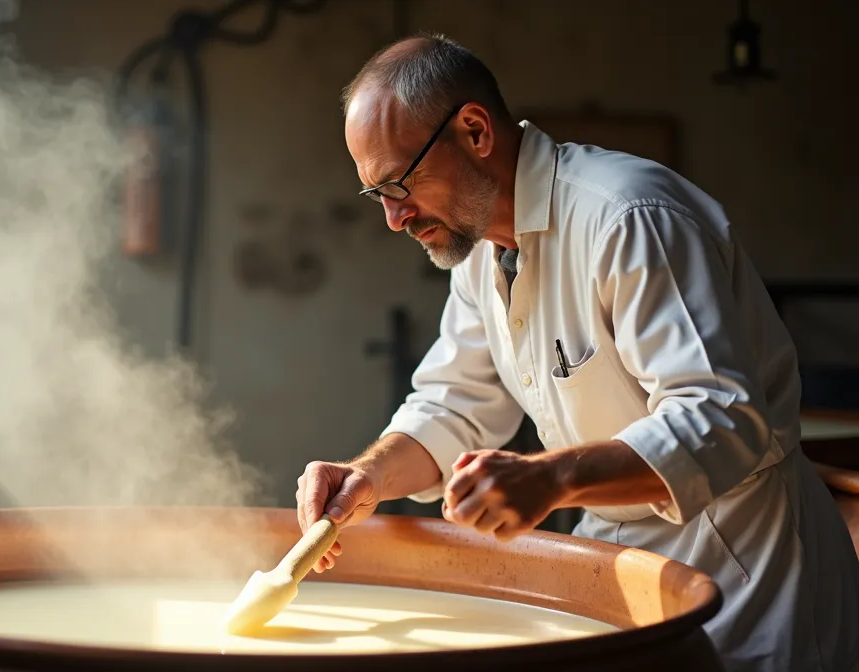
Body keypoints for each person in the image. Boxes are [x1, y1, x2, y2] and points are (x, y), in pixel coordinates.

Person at [296, 33, 859, 671]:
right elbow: (455, 405)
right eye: (378, 195)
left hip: (743, 570)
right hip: (616, 565)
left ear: (475, 131)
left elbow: (722, 420)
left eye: (399, 183)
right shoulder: (482, 254)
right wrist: (368, 476)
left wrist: (551, 477)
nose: (395, 218)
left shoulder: (628, 216)